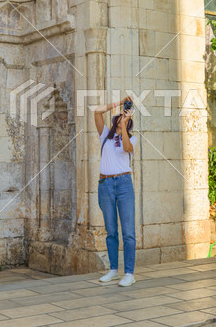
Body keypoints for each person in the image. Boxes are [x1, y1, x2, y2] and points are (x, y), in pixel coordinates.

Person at [94, 96, 137, 287]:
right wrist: (120, 102)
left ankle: (129, 273)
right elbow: (97, 112)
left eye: (125, 116)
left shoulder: (132, 138)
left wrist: (125, 127)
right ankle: (113, 270)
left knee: (128, 231)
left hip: (124, 184)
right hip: (105, 185)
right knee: (111, 230)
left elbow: (127, 147)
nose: (121, 116)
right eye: (120, 116)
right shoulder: (105, 136)